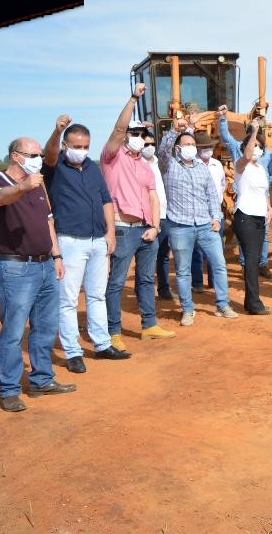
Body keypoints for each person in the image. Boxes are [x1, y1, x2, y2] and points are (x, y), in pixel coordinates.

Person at [0, 137, 76, 412]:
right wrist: (23, 186)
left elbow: (48, 222)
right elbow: (0, 199)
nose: (38, 158)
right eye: (32, 154)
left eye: (39, 154)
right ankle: (10, 390)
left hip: (45, 265)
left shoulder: (38, 185)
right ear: (16, 156)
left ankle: (41, 380)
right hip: (16, 269)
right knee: (13, 332)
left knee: (46, 327)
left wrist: (57, 256)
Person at [42, 115, 129, 374]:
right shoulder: (55, 168)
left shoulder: (92, 168)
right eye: (76, 146)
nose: (82, 151)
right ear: (66, 146)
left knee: (96, 295)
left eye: (85, 146)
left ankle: (102, 344)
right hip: (70, 242)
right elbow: (49, 153)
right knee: (67, 299)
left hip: (98, 241)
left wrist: (110, 233)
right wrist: (56, 131)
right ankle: (73, 352)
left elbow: (106, 200)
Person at [100, 84, 175, 349]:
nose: (138, 137)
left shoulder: (145, 165)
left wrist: (155, 226)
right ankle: (113, 332)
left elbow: (153, 196)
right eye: (134, 133)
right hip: (121, 228)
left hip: (145, 229)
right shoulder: (111, 157)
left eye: (142, 134)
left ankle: (149, 325)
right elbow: (118, 130)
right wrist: (133, 98)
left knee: (145, 279)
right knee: (117, 281)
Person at [158, 113, 240, 324]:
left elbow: (212, 195)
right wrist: (176, 129)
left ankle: (222, 304)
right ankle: (187, 309)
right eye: (186, 144)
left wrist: (216, 217)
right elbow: (163, 151)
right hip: (180, 226)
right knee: (183, 271)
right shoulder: (169, 167)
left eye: (193, 144)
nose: (191, 147)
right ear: (178, 148)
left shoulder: (202, 169)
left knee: (219, 265)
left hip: (206, 225)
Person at [219, 112, 272, 314]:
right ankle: (253, 303)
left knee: (255, 260)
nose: (257, 149)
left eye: (261, 146)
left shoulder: (260, 168)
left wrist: (268, 207)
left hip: (259, 218)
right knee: (251, 261)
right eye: (254, 146)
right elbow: (248, 154)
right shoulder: (241, 165)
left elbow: (263, 190)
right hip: (245, 218)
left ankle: (251, 301)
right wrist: (255, 132)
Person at [190, 131, 226, 293]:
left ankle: (213, 281)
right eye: (204, 147)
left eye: (209, 147)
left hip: (216, 214)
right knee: (196, 251)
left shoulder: (217, 165)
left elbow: (222, 185)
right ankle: (197, 283)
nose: (208, 150)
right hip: (198, 214)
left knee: (216, 249)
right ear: (197, 149)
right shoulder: (192, 164)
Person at [141, 128, 173, 301]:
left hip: (163, 213)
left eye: (153, 144)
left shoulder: (160, 163)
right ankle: (143, 292)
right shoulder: (136, 163)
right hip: (146, 216)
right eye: (146, 144)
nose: (150, 147)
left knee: (163, 255)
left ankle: (164, 288)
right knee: (146, 256)